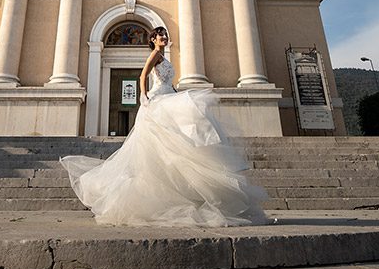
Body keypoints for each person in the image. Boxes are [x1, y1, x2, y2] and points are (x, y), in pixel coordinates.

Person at [60, 27, 268, 227]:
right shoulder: (155, 55)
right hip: (157, 100)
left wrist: (177, 93)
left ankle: (180, 190)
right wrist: (143, 96)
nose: (164, 37)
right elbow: (143, 76)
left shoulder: (164, 57)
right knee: (164, 145)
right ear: (152, 40)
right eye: (160, 35)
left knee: (178, 143)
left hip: (168, 96)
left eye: (165, 35)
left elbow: (168, 82)